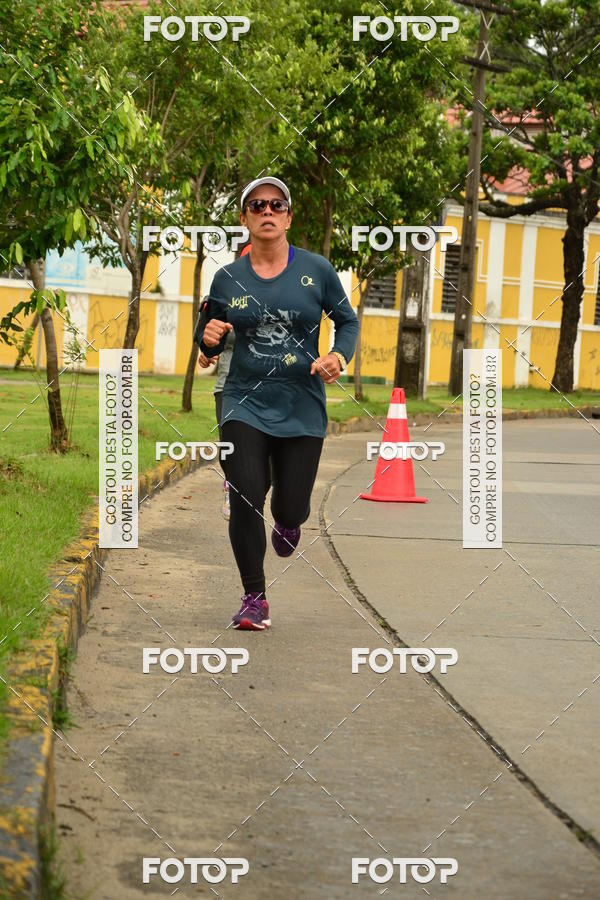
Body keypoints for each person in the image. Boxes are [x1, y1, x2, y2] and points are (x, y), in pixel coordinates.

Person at [195, 176, 359, 630]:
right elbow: (206, 335)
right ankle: (254, 597)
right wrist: (207, 341)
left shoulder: (318, 270)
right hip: (243, 401)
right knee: (246, 494)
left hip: (302, 406)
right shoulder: (227, 278)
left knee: (289, 506)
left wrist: (338, 356)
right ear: (245, 217)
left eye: (276, 204)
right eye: (257, 205)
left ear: (288, 216)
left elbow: (347, 322)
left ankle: (289, 521)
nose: (267, 211)